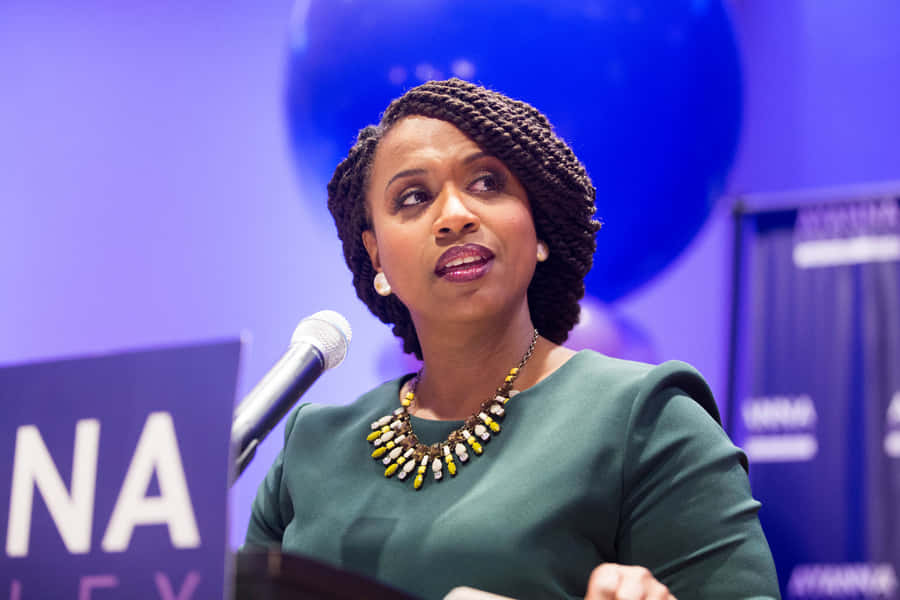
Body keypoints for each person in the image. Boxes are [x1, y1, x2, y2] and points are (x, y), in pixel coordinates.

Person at [245, 78, 780, 600]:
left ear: (538, 227)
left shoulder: (645, 419)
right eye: (412, 197)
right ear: (377, 256)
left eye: (486, 184)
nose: (454, 216)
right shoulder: (310, 446)